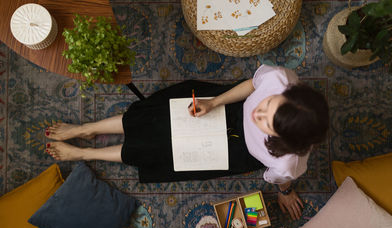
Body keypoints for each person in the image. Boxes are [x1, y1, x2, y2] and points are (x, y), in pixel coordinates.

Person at [45, 65, 329, 220]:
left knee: (155, 151)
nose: (260, 112)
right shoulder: (282, 78)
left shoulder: (288, 161)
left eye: (267, 122)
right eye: (269, 103)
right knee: (155, 119)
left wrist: (285, 192)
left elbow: (281, 180)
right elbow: (253, 86)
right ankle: (88, 129)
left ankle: (82, 153)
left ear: (283, 141)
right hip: (229, 106)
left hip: (236, 151)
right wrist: (215, 101)